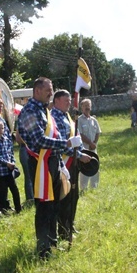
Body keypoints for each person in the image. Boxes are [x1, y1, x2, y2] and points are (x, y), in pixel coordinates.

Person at [17, 78, 82, 259]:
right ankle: (43, 249)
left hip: (52, 162)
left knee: (53, 205)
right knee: (44, 207)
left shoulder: (45, 111)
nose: (51, 93)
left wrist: (61, 165)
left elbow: (55, 135)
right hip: (39, 164)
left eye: (51, 90)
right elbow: (39, 140)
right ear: (37, 91)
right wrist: (66, 143)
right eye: (48, 90)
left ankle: (52, 243)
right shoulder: (30, 111)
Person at [51, 90, 92, 241]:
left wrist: (80, 151)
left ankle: (70, 223)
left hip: (73, 162)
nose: (69, 103)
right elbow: (62, 144)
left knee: (74, 196)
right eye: (65, 100)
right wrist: (80, 156)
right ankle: (63, 230)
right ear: (56, 101)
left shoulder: (66, 116)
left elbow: (75, 138)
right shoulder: (54, 117)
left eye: (69, 100)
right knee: (65, 198)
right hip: (63, 163)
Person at [0, 120, 21, 214]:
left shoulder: (7, 140)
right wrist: (7, 163)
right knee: (0, 190)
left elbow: (10, 153)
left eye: (2, 128)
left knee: (14, 189)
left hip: (8, 170)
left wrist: (12, 162)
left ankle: (18, 208)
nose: (1, 130)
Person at [77, 98, 102, 190]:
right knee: (85, 167)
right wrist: (90, 143)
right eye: (85, 105)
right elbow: (80, 134)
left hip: (93, 149)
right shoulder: (79, 120)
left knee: (95, 166)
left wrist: (94, 143)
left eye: (89, 105)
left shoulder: (94, 120)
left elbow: (98, 132)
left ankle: (94, 187)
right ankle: (83, 188)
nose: (87, 107)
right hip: (84, 149)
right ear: (82, 108)